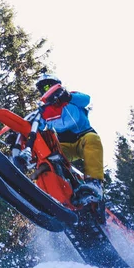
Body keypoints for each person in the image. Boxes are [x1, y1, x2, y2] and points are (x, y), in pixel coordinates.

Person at [33, 73, 104, 204]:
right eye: (42, 88)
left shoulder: (71, 98)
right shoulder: (46, 111)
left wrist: (68, 96)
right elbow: (37, 125)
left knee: (92, 140)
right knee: (50, 158)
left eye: (48, 85)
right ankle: (59, 192)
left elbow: (86, 99)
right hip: (65, 146)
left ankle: (94, 183)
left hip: (83, 137)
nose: (46, 89)